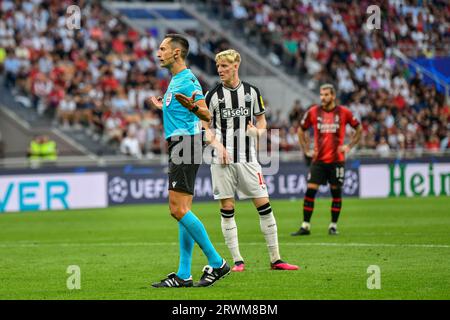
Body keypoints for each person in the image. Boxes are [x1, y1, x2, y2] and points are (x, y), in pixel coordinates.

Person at [202, 49, 298, 272]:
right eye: (218, 67)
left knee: (264, 205)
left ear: (236, 66)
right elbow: (205, 129)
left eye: (224, 66)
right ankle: (237, 261)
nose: (220, 70)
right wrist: (218, 146)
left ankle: (276, 259)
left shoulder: (252, 92)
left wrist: (258, 132)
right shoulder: (212, 96)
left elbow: (262, 121)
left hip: (248, 158)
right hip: (221, 160)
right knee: (227, 207)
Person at [147, 34, 230, 288]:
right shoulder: (175, 81)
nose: (158, 52)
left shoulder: (187, 79)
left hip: (185, 145)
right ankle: (183, 275)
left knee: (177, 209)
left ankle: (217, 263)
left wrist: (193, 108)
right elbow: (185, 110)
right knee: (183, 211)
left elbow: (205, 112)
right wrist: (166, 108)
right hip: (184, 143)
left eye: (163, 49)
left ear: (176, 53)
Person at [291, 84, 362, 236]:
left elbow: (359, 128)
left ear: (333, 96)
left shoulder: (344, 112)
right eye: (321, 94)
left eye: (326, 95)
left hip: (337, 161)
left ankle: (333, 225)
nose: (322, 97)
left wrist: (349, 147)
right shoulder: (313, 112)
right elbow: (300, 129)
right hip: (319, 160)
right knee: (310, 191)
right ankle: (305, 226)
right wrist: (306, 150)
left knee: (336, 193)